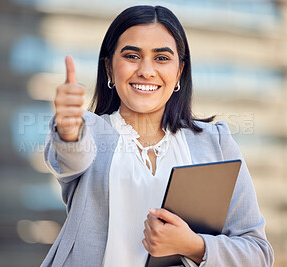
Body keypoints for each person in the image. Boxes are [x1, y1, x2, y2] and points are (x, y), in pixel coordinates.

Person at [42, 5, 274, 267]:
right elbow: (69, 156)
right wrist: (69, 129)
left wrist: (193, 246)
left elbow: (258, 253)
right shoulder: (89, 132)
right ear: (108, 68)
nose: (146, 70)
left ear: (179, 72)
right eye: (132, 56)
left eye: (162, 58)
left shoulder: (215, 142)